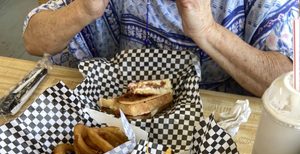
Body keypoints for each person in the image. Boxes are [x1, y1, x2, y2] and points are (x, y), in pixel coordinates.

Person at [23, 0, 298, 96]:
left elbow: (289, 81)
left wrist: (208, 31)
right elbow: (33, 40)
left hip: (222, 133)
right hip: (128, 122)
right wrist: (83, 9)